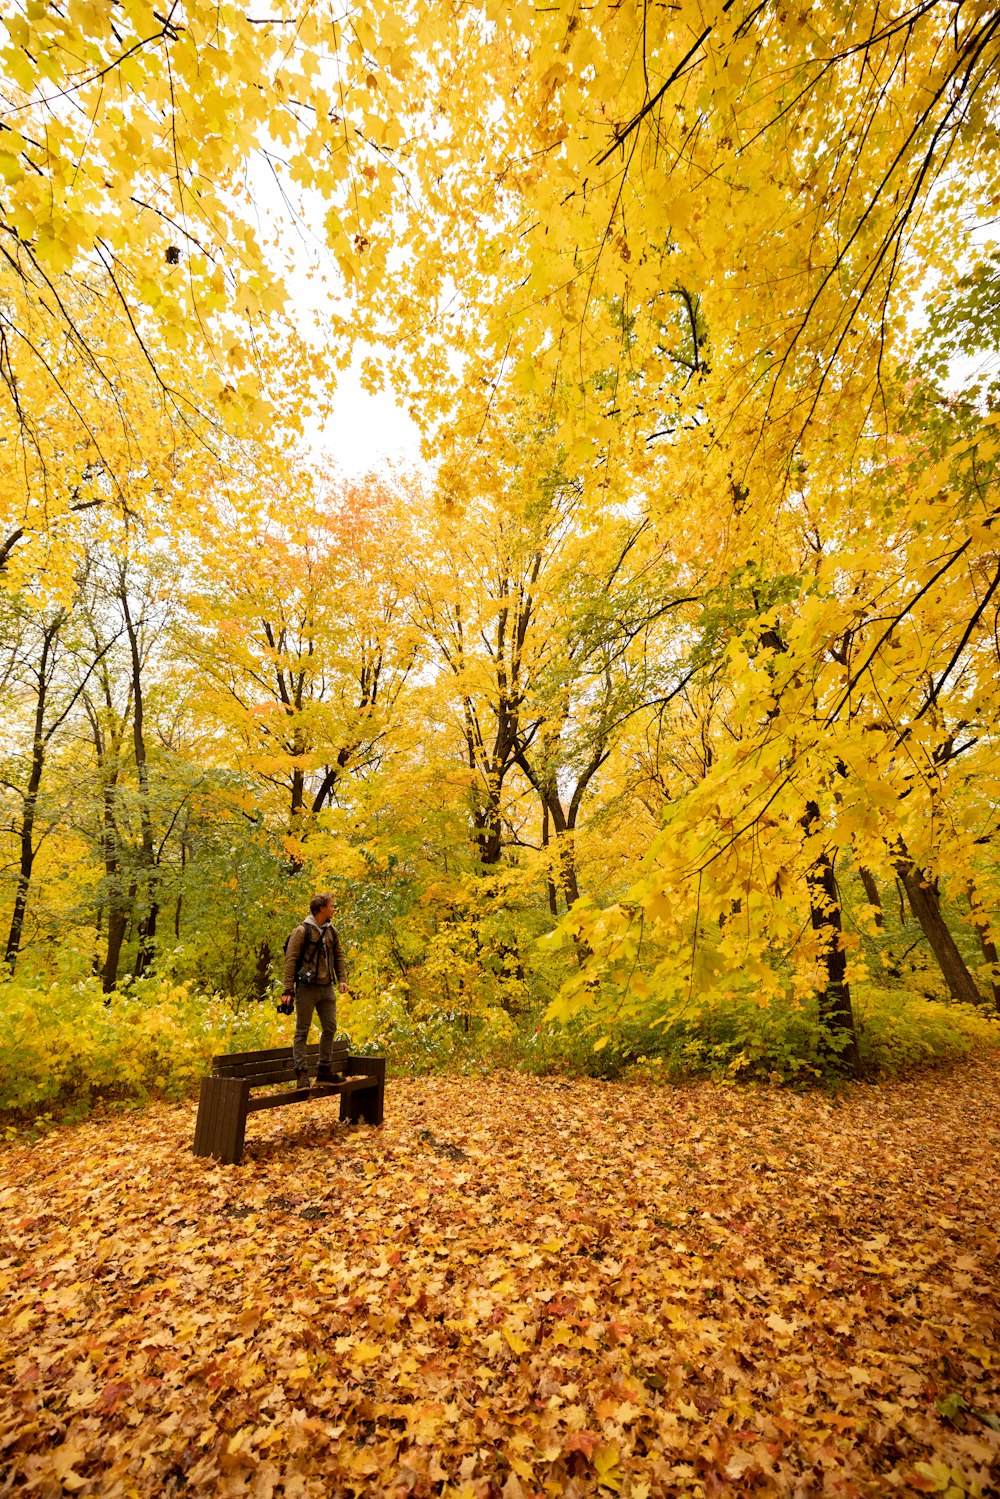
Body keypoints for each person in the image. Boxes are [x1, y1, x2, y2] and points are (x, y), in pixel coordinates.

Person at [282, 892, 347, 1091]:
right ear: (321, 909)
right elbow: (291, 959)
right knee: (302, 1031)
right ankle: (301, 1074)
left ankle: (324, 1070)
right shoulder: (302, 931)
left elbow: (338, 956)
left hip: (327, 988)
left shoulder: (331, 931)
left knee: (330, 1028)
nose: (334, 909)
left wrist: (342, 979)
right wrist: (287, 990)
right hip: (307, 989)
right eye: (331, 906)